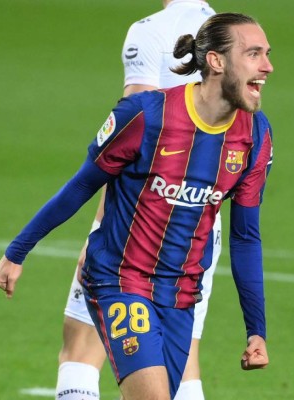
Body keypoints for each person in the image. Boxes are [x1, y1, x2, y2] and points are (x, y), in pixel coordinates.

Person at [0, 12, 273, 399]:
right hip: (120, 279)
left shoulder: (255, 136)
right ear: (216, 61)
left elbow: (245, 237)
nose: (267, 66)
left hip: (180, 294)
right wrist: (17, 251)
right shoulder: (145, 115)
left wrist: (255, 329)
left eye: (267, 54)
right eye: (254, 54)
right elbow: (81, 186)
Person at [55, 1, 219, 399]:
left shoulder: (151, 30)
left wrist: (101, 231)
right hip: (198, 228)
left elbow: (129, 142)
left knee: (79, 350)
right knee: (182, 363)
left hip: (138, 227)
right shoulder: (228, 33)